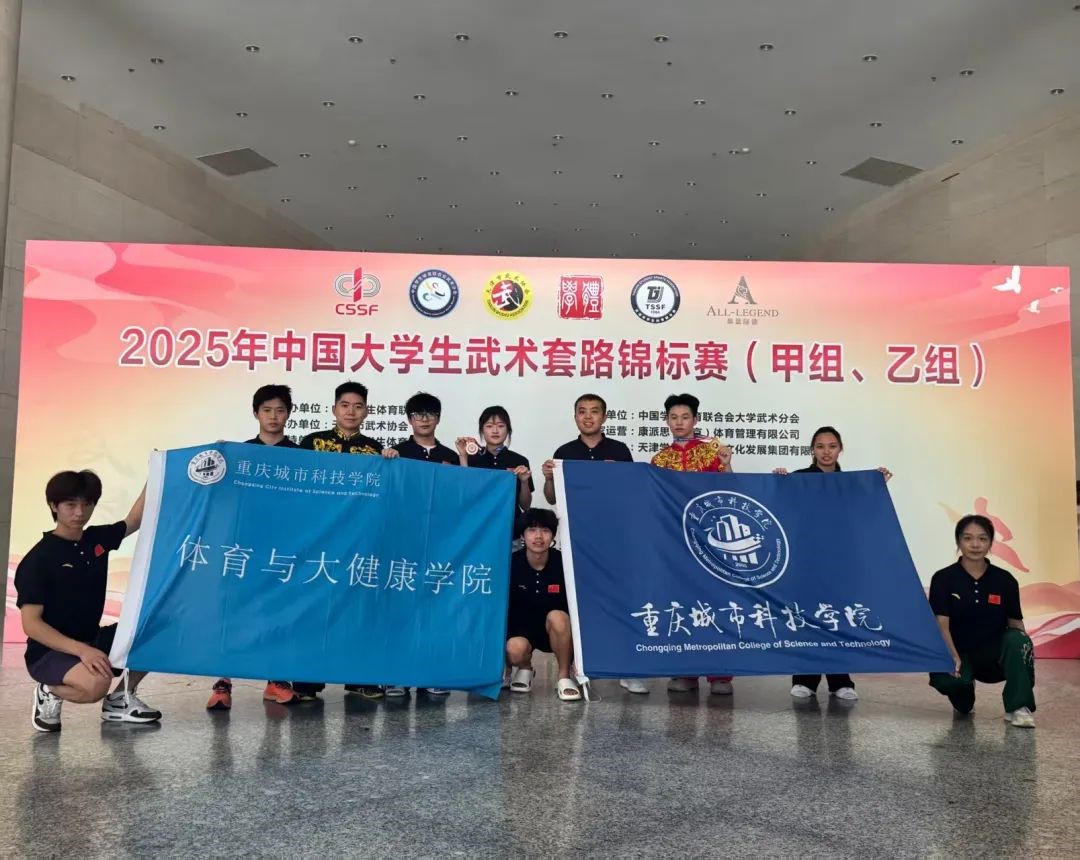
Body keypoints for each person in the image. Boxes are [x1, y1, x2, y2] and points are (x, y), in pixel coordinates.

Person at [15, 470, 162, 732]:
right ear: (54, 506)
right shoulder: (38, 560)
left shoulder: (95, 539)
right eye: (70, 505)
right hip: (50, 651)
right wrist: (82, 651)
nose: (79, 512)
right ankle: (49, 690)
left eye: (87, 504)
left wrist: (159, 472)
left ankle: (120, 700)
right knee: (95, 685)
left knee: (156, 629)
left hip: (92, 639)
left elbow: (134, 519)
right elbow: (31, 625)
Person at [773, 425, 893, 702]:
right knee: (809, 620)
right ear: (812, 450)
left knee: (839, 619)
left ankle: (841, 681)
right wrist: (779, 482)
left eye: (832, 446)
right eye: (820, 446)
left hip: (842, 562)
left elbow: (864, 514)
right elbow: (783, 508)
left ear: (840, 449)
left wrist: (877, 485)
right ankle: (805, 679)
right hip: (808, 561)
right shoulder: (800, 479)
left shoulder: (850, 483)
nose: (826, 452)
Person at [541, 393, 648, 696]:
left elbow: (633, 494)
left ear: (604, 417)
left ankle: (627, 669)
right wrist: (548, 478)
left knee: (621, 603)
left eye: (594, 411)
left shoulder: (619, 450)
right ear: (575, 416)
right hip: (578, 541)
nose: (588, 417)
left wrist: (618, 474)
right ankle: (580, 668)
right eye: (582, 411)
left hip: (614, 540)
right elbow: (552, 497)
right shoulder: (565, 452)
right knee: (580, 605)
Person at [300, 380, 398, 701]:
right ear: (334, 409)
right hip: (319, 540)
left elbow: (386, 495)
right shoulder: (312, 443)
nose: (351, 412)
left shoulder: (375, 450)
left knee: (357, 608)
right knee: (315, 608)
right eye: (345, 405)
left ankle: (358, 678)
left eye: (358, 406)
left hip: (359, 542)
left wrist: (392, 463)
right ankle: (307, 681)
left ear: (366, 411)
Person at [207, 384, 303, 710]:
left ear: (288, 414)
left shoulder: (301, 455)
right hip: (244, 547)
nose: (274, 416)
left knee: (279, 613)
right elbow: (218, 493)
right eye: (267, 410)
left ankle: (276, 680)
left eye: (280, 410)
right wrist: (218, 458)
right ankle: (222, 683)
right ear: (256, 413)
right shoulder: (240, 453)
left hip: (284, 547)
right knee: (233, 612)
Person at [651, 394, 735, 696]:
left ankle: (720, 674)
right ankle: (685, 671)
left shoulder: (713, 452)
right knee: (681, 603)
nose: (679, 422)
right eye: (673, 417)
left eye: (685, 417)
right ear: (667, 421)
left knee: (716, 602)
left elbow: (730, 491)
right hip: (677, 543)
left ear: (695, 420)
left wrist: (727, 465)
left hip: (712, 541)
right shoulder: (659, 460)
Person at [927, 515, 1035, 728]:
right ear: (958, 541)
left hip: (993, 654)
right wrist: (953, 657)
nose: (975, 545)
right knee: (959, 698)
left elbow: (1015, 624)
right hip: (958, 651)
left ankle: (1018, 707)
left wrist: (1025, 656)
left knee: (1018, 640)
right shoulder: (943, 578)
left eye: (982, 539)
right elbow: (941, 624)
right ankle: (964, 690)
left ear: (990, 543)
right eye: (968, 538)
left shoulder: (1005, 580)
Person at [385, 392, 456, 698]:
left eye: (430, 414)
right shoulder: (397, 453)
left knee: (434, 607)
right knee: (402, 607)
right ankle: (396, 675)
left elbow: (459, 498)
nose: (424, 419)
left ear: (438, 418)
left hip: (439, 543)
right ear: (409, 419)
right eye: (418, 414)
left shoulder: (450, 456)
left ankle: (431, 672)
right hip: (404, 542)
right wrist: (386, 463)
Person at [505, 508, 581, 702]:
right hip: (521, 630)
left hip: (555, 630)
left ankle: (564, 677)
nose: (538, 536)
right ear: (522, 535)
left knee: (558, 617)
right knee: (515, 649)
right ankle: (525, 669)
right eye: (532, 530)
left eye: (545, 530)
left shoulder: (564, 562)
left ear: (553, 535)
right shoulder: (510, 563)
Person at [455, 405, 533, 512]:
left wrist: (524, 482)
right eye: (489, 426)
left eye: (500, 426)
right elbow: (464, 494)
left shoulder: (520, 461)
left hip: (510, 519)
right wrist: (463, 456)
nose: (495, 431)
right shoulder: (471, 459)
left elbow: (526, 506)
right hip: (478, 519)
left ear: (508, 430)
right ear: (482, 430)